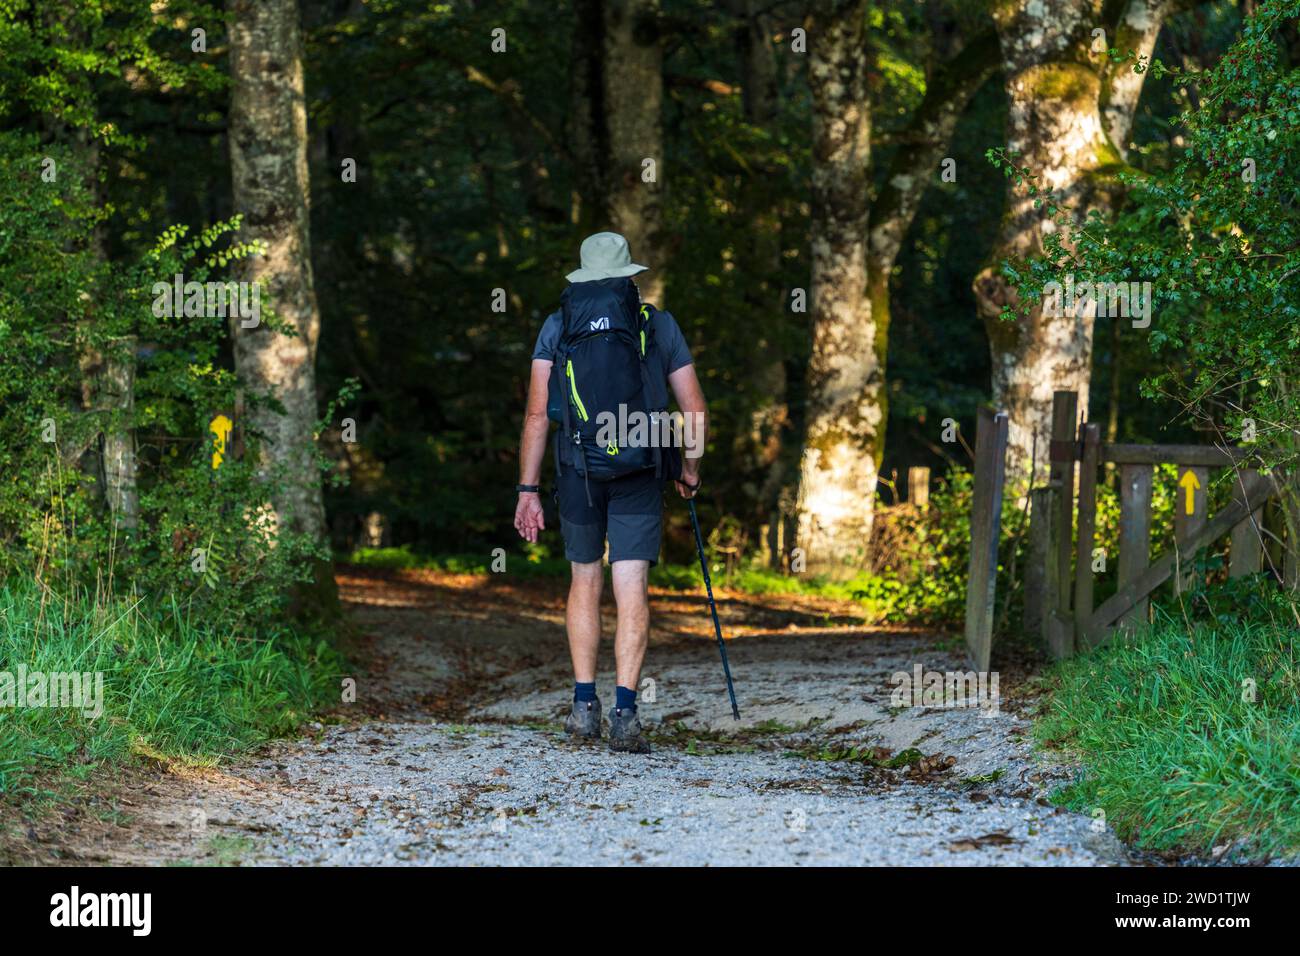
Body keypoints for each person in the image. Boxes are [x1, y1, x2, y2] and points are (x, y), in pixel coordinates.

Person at [513, 232, 706, 754]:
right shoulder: (658, 325)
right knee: (631, 584)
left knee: (583, 582)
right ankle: (625, 712)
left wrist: (527, 490)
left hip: (578, 467)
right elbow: (694, 409)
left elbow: (536, 415)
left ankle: (582, 707)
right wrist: (688, 466)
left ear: (580, 279)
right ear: (629, 279)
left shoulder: (559, 326)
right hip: (640, 465)